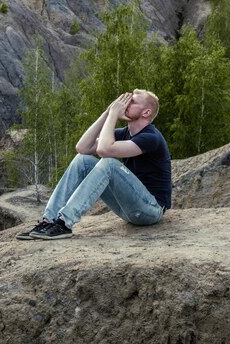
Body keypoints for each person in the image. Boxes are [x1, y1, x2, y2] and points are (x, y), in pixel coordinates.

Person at [16, 89, 171, 240]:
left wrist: (113, 115)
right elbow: (82, 147)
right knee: (82, 160)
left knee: (109, 164)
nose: (124, 104)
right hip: (129, 208)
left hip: (151, 210)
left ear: (146, 112)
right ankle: (49, 220)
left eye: (132, 102)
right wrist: (107, 113)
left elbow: (104, 150)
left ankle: (64, 223)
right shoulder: (124, 133)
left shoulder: (151, 137)